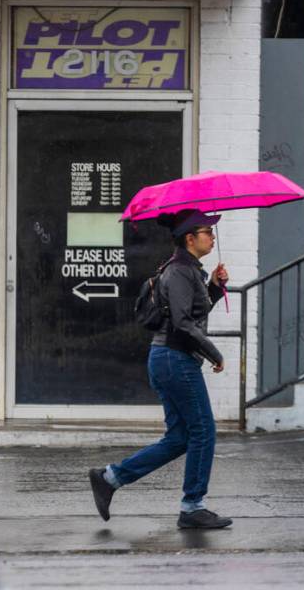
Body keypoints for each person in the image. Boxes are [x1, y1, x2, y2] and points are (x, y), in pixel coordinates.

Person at [88, 208, 232, 530]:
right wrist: (213, 352)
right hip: (175, 359)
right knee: (203, 432)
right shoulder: (180, 271)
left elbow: (190, 313)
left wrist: (212, 286)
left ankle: (109, 478)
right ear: (190, 238)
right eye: (208, 232)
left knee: (181, 437)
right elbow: (182, 324)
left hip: (169, 359)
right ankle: (193, 506)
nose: (213, 237)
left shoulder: (186, 269)